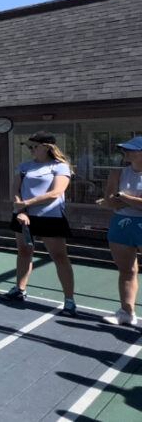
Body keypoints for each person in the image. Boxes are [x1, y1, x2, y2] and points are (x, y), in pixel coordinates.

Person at [3, 131, 77, 317]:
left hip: (50, 218)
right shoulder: (24, 166)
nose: (31, 150)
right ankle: (20, 290)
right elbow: (15, 189)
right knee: (24, 252)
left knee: (59, 257)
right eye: (30, 147)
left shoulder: (60, 166)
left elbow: (55, 192)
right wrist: (20, 211)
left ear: (47, 147)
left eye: (34, 146)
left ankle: (69, 301)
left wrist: (26, 204)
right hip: (23, 217)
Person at [96, 135, 142, 327]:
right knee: (127, 270)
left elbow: (116, 199)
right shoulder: (117, 174)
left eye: (130, 149)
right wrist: (119, 200)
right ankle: (126, 312)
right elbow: (109, 201)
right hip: (121, 225)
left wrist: (122, 197)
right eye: (125, 149)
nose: (125, 152)